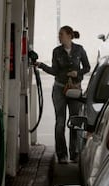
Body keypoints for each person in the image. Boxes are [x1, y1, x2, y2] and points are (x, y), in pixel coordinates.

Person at [35, 25, 90, 164]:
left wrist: (77, 73)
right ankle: (61, 154)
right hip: (59, 88)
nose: (59, 37)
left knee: (74, 121)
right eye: (59, 34)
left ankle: (74, 152)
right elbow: (54, 70)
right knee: (60, 122)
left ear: (69, 36)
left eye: (62, 34)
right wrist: (41, 65)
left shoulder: (79, 49)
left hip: (75, 89)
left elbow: (87, 67)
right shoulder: (57, 51)